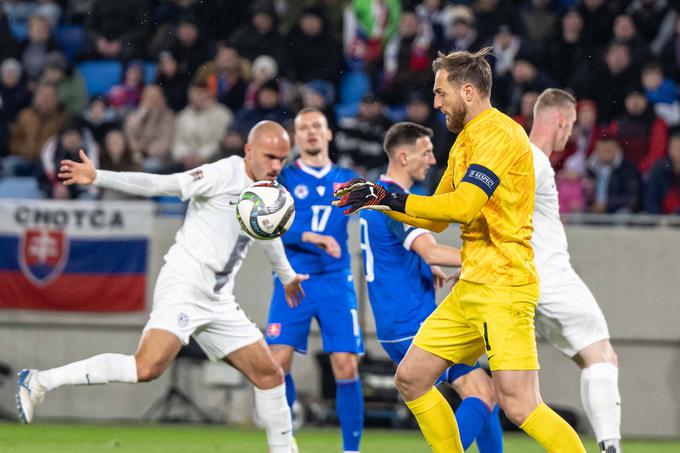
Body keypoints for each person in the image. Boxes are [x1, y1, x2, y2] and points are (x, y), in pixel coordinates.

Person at [334, 48, 586, 453]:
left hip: (505, 287)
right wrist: (380, 200)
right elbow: (435, 218)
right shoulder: (465, 140)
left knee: (520, 405)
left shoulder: (500, 134)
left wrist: (393, 199)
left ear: (467, 91)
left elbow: (464, 206)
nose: (435, 103)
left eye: (440, 93)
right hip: (471, 289)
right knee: (411, 378)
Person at [16, 121, 307, 453]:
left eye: (282, 159)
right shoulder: (222, 174)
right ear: (249, 151)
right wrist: (100, 176)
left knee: (270, 375)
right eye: (270, 157)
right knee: (147, 367)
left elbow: (267, 234)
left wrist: (287, 276)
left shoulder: (270, 191)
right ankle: (39, 381)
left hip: (218, 299)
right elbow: (161, 183)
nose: (276, 167)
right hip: (184, 285)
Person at [359, 121, 503, 453]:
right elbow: (431, 249)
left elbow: (400, 252)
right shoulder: (394, 203)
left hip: (397, 322)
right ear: (402, 156)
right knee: (482, 392)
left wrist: (430, 266)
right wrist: (484, 260)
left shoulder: (380, 197)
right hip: (413, 322)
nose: (432, 159)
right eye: (425, 152)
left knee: (483, 393)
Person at [529, 88, 623, 453]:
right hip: (551, 278)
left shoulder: (516, 158)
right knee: (602, 356)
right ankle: (610, 447)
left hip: (514, 283)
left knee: (504, 393)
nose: (568, 137)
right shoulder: (535, 162)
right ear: (563, 121)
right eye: (569, 129)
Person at [266, 108, 364, 453]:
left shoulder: (349, 180)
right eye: (303, 128)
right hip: (294, 279)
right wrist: (311, 236)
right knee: (277, 363)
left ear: (329, 134)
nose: (310, 133)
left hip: (336, 280)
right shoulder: (285, 181)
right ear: (295, 137)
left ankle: (351, 449)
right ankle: (285, 443)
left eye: (317, 127)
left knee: (346, 364)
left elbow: (382, 214)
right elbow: (269, 224)